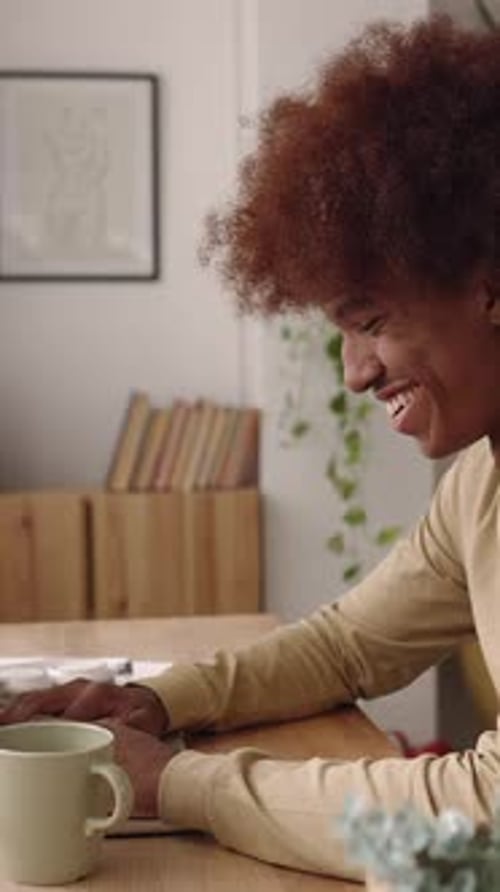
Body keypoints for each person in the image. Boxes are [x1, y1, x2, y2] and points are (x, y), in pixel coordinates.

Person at [3, 14, 500, 880]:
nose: (353, 375)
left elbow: (483, 835)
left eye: (370, 323)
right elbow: (347, 646)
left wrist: (183, 786)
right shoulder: (482, 481)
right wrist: (155, 701)